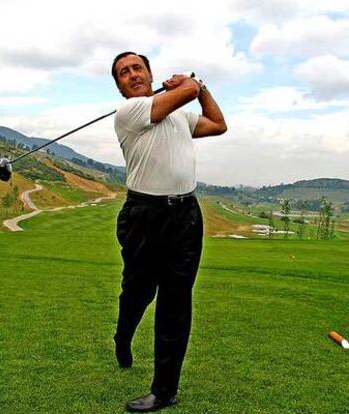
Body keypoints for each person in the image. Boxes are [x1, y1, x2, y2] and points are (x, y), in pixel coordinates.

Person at [111, 51, 227, 413]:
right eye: (123, 73)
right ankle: (123, 336)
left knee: (175, 303)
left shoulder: (179, 115)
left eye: (137, 68)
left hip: (185, 218)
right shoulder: (129, 113)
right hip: (144, 216)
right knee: (137, 292)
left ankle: (164, 391)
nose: (132, 74)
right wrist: (190, 84)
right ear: (120, 87)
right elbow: (188, 91)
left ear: (149, 74)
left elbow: (218, 124)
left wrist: (200, 87)